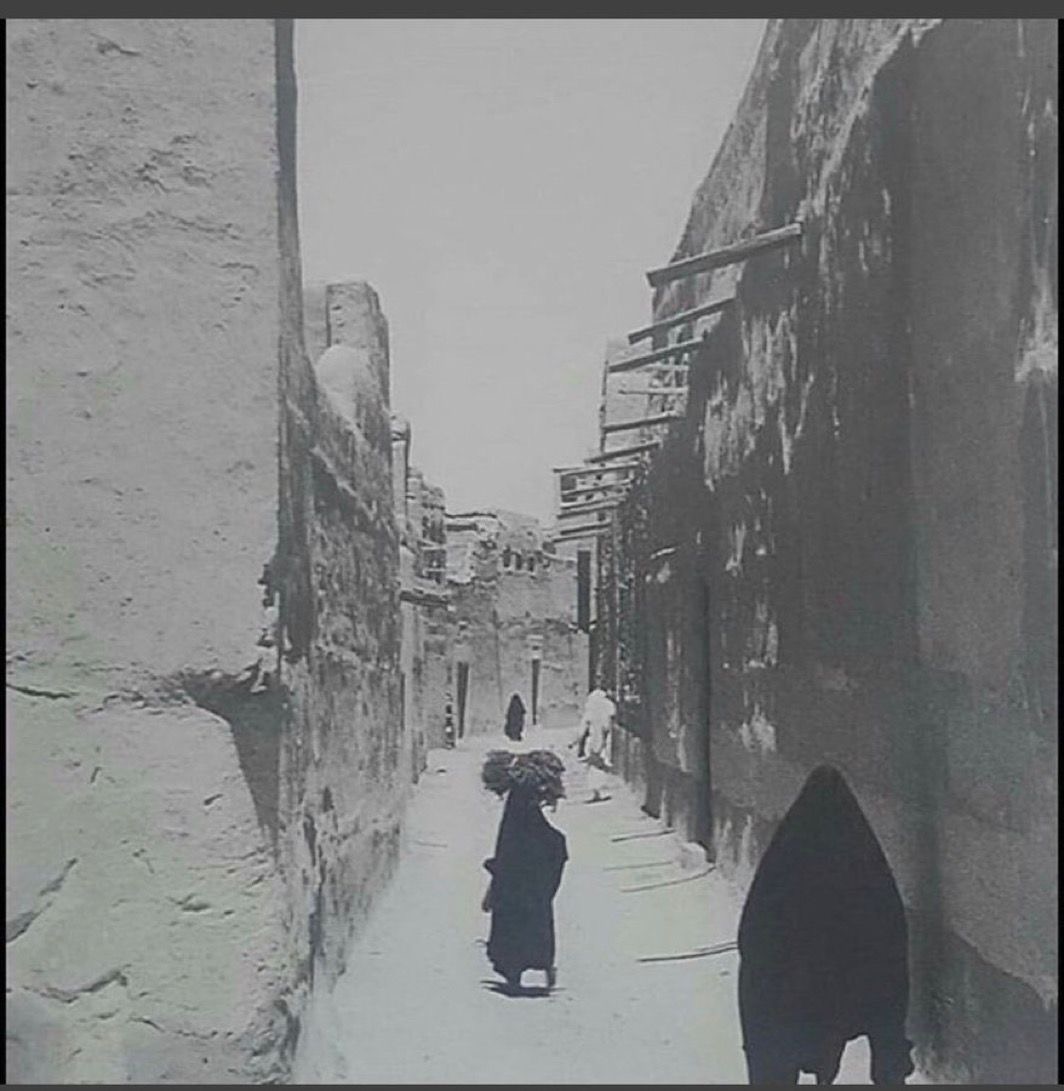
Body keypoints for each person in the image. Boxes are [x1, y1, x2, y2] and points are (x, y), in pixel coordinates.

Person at [737, 765, 914, 1085]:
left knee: (771, 1027)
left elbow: (753, 941)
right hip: (842, 993)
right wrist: (889, 1060)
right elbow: (890, 955)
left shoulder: (780, 872)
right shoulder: (868, 873)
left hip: (787, 996)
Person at [481, 751, 568, 994]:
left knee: (510, 923)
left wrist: (494, 883)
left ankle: (513, 974)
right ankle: (544, 966)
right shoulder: (532, 816)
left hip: (512, 882)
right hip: (533, 883)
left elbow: (505, 852)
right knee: (538, 918)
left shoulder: (515, 814)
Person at [572, 687, 615, 802]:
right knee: (601, 765)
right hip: (605, 742)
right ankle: (599, 790)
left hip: (592, 741)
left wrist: (575, 742)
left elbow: (582, 730)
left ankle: (596, 791)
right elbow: (608, 726)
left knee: (592, 766)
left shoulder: (590, 711)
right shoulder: (608, 707)